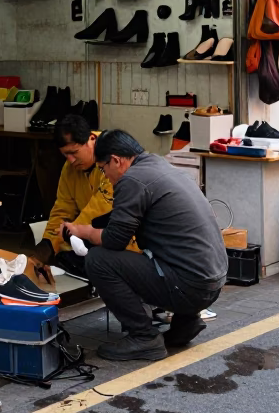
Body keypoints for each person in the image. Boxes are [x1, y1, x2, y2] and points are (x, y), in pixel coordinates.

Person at [62, 129, 227, 362]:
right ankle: (186, 322)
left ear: (116, 160)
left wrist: (83, 231)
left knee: (99, 260)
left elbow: (114, 241)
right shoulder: (159, 167)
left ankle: (144, 337)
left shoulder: (131, 180)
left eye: (103, 169)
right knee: (163, 253)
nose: (106, 176)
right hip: (213, 281)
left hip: (191, 286)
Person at [28, 114, 120, 281]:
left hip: (121, 241)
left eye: (74, 152)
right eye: (65, 155)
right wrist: (46, 246)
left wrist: (67, 232)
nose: (70, 160)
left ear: (91, 139)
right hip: (86, 238)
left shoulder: (112, 161)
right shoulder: (69, 170)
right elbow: (62, 209)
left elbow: (99, 210)